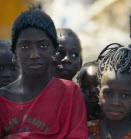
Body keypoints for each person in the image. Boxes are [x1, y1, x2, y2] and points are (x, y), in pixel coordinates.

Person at [0, 9, 87, 138]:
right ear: (14, 51)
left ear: (54, 50)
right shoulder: (2, 100)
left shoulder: (70, 93)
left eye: (43, 45)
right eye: (25, 46)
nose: (34, 55)